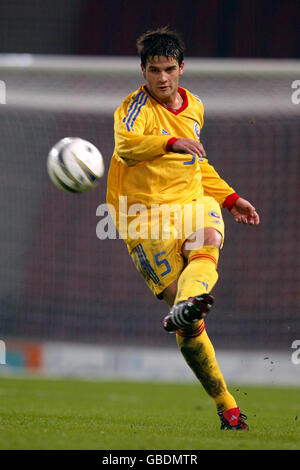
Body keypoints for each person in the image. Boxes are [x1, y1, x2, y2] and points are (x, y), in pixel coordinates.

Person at [106, 26, 259, 430]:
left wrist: (229, 198)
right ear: (142, 71)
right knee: (191, 325)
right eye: (154, 70)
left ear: (181, 68)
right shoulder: (132, 110)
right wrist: (171, 142)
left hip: (192, 202)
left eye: (169, 69)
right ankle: (226, 402)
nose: (162, 78)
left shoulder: (195, 107)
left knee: (209, 240)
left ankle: (186, 307)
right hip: (143, 217)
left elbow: (197, 162)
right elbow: (127, 148)